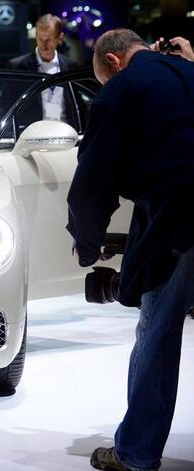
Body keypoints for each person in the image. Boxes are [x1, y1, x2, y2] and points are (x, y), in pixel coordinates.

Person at [65, 29, 194, 471]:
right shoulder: (189, 71)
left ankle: (136, 453)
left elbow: (92, 183)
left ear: (114, 63)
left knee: (157, 332)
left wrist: (86, 243)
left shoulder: (122, 88)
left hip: (181, 218)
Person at [8, 14, 77, 122]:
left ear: (59, 38)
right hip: (33, 135)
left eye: (48, 39)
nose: (43, 45)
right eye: (40, 38)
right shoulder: (18, 67)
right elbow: (7, 105)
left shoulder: (70, 66)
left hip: (66, 133)